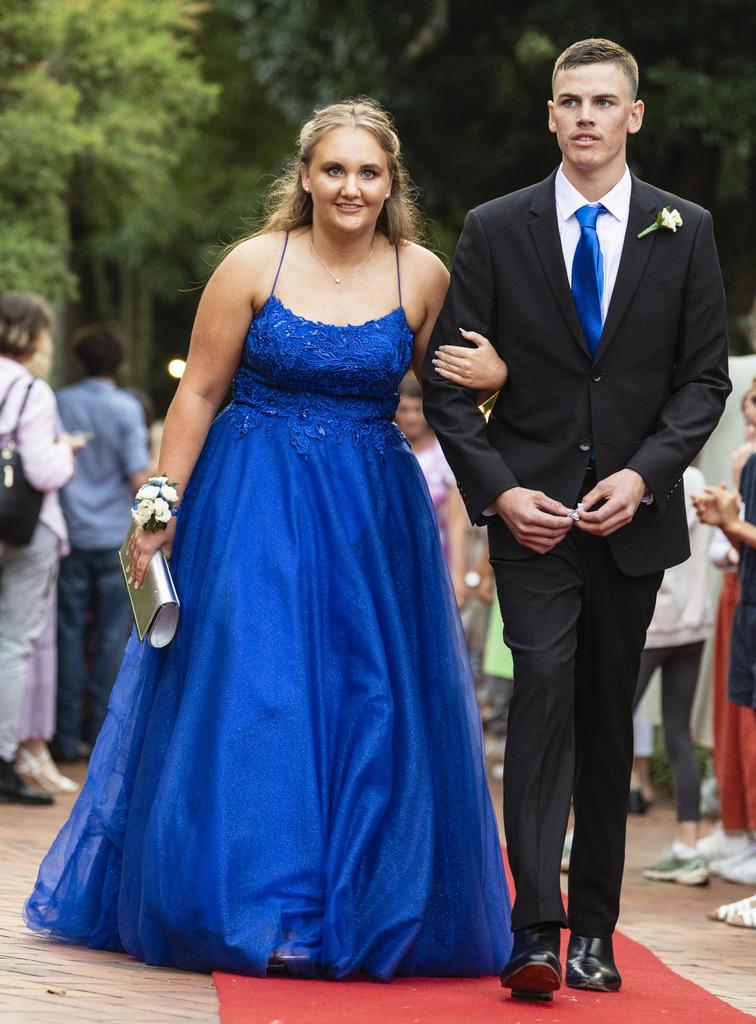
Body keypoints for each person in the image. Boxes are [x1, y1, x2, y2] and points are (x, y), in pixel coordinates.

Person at [25, 99, 513, 980]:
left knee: (370, 702)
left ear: (392, 182)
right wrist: (159, 506)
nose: (351, 186)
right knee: (261, 692)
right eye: (334, 170)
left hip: (372, 517)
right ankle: (264, 906)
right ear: (305, 177)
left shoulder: (424, 275)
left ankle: (358, 903)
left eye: (369, 172)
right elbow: (199, 393)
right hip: (250, 502)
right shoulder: (254, 262)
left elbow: (451, 407)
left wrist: (497, 380)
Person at [422, 38, 730, 1000]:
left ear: (634, 115)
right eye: (570, 101)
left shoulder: (688, 228)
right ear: (550, 116)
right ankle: (534, 932)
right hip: (533, 519)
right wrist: (503, 491)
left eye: (605, 101)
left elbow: (703, 381)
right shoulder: (494, 228)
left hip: (633, 521)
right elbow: (444, 387)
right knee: (544, 695)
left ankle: (595, 928)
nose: (587, 116)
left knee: (606, 717)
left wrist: (645, 475)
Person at [52, 324, 150, 763]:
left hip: (69, 535)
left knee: (68, 634)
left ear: (79, 360)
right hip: (114, 537)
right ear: (118, 362)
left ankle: (64, 734)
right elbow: (136, 475)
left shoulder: (60, 403)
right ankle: (98, 736)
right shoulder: (127, 408)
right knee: (113, 635)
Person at [0, 292, 83, 804]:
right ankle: (5, 757)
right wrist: (64, 451)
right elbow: (42, 471)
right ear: (33, 336)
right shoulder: (32, 391)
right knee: (14, 643)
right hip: (24, 529)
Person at [697, 374, 756, 885]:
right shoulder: (754, 462)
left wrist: (733, 525)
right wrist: (727, 524)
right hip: (752, 606)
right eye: (755, 400)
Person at [635, 466, 712, 886]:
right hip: (694, 625)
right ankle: (688, 845)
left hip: (653, 627)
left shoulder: (659, 477)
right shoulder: (699, 478)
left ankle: (579, 836)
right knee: (679, 732)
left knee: (605, 725)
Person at [395, 372, 468, 603]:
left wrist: (459, 574)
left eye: (418, 410)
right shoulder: (388, 451)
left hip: (434, 557)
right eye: (405, 410)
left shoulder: (443, 456)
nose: (412, 417)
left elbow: (456, 521)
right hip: (393, 555)